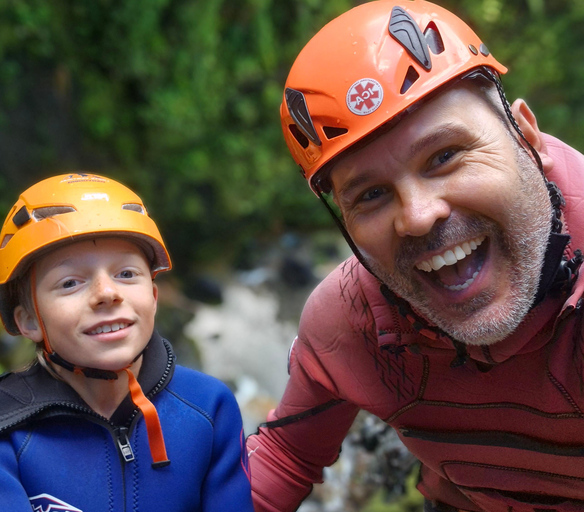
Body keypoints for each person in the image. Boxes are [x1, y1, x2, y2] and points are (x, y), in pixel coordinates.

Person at [246, 1, 584, 511]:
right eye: (371, 195)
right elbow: (285, 456)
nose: (419, 216)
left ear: (527, 137)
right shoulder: (352, 321)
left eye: (445, 156)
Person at [0, 173, 253, 511]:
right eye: (69, 283)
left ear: (153, 297)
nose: (107, 293)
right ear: (30, 321)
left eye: (126, 274)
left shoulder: (209, 408)